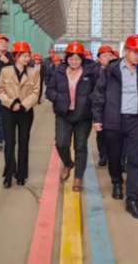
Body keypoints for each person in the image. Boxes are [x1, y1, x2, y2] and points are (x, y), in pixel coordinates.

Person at [92, 34, 138, 220]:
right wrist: (98, 118)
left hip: (136, 121)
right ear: (126, 51)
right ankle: (117, 182)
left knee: (135, 161)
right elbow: (99, 95)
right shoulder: (111, 70)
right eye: (136, 52)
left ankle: (133, 200)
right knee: (114, 156)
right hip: (114, 120)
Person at [46, 42, 98, 192]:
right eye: (71, 59)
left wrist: (88, 101)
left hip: (83, 115)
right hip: (63, 114)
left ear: (82, 59)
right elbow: (49, 90)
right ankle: (68, 163)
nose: (74, 62)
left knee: (80, 146)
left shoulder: (90, 73)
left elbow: (97, 90)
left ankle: (78, 178)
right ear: (66, 58)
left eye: (77, 59)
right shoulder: (59, 72)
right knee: (61, 143)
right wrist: (58, 98)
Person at [0, 41, 41, 187]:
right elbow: (0, 90)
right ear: (15, 56)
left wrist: (23, 105)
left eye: (28, 56)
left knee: (24, 142)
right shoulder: (5, 71)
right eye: (23, 56)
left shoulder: (34, 73)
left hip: (25, 112)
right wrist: (11, 103)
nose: (27, 58)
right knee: (9, 142)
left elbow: (36, 92)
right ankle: (9, 173)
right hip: (8, 111)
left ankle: (21, 174)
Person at [94, 45, 116, 166]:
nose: (108, 58)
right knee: (101, 133)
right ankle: (103, 155)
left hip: (114, 107)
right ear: (99, 58)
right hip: (99, 107)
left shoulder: (118, 71)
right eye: (105, 56)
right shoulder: (93, 72)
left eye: (110, 56)